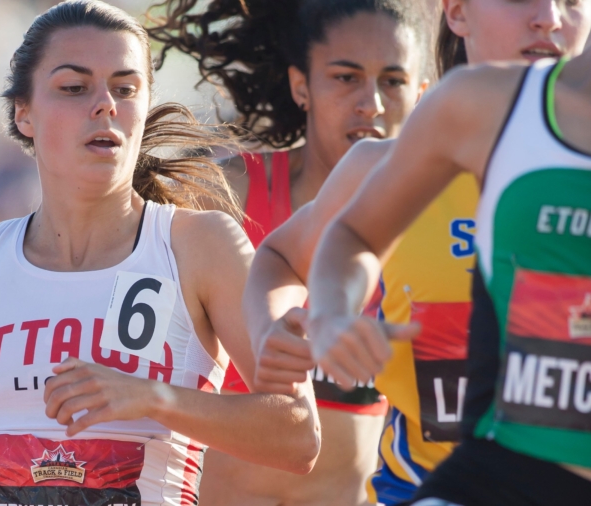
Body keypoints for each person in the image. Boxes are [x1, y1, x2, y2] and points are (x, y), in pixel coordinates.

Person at [0, 2, 321, 506]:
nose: (105, 104)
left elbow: (299, 434)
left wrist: (152, 397)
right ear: (24, 113)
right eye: (74, 87)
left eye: (125, 89)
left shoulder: (199, 246)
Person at [248, 1, 591, 504]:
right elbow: (282, 256)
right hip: (437, 486)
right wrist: (300, 325)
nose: (548, 17)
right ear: (457, 13)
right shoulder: (386, 165)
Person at [147, 0, 428, 504]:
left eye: (393, 81)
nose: (373, 104)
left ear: (423, 94)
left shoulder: (441, 217)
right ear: (302, 85)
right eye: (346, 78)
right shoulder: (223, 194)